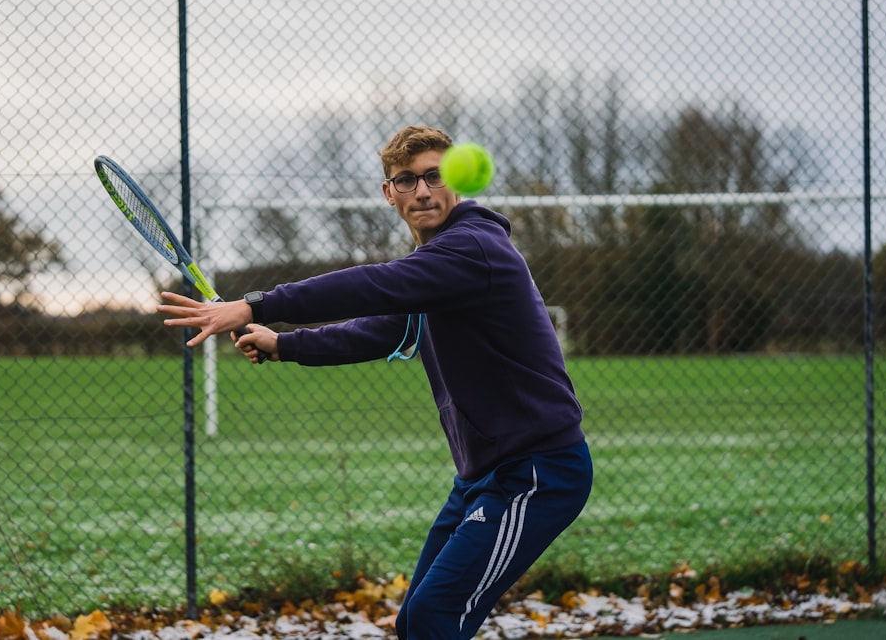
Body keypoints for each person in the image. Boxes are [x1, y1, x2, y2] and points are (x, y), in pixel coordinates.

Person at [158, 124, 592, 638]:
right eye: (407, 181)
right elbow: (381, 330)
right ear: (390, 194)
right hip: (483, 475)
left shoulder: (474, 249)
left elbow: (373, 286)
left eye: (434, 176)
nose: (423, 191)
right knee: (416, 620)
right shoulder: (436, 268)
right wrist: (284, 345)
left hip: (537, 472)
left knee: (434, 616)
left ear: (456, 181)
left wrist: (256, 303)